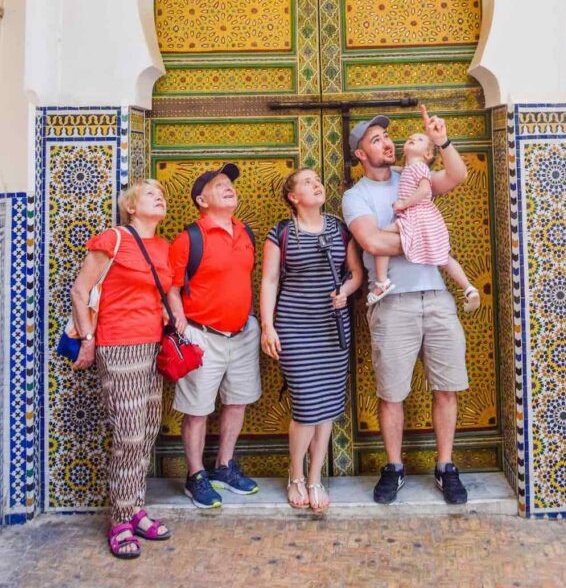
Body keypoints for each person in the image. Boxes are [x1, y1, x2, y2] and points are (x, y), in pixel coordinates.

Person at [341, 105, 470, 506]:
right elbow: (373, 243)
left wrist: (441, 140)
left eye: (387, 136)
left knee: (447, 387)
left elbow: (457, 176)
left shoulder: (412, 176)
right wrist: (429, 243)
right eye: (375, 140)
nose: (387, 143)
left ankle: (446, 466)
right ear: (361, 154)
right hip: (392, 302)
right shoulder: (355, 196)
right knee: (392, 392)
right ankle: (394, 468)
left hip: (436, 298)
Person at [70, 179, 172, 559]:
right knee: (128, 434)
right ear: (130, 206)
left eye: (161, 193)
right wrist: (87, 338)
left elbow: (162, 296)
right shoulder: (112, 240)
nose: (159, 196)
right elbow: (81, 290)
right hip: (118, 344)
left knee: (146, 431)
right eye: (150, 193)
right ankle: (120, 521)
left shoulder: (161, 247)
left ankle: (136, 509)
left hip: (152, 346)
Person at [260, 168, 363, 511]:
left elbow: (356, 274)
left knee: (327, 408)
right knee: (306, 406)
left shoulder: (338, 229)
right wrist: (267, 326)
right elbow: (270, 281)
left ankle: (315, 477)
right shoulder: (281, 233)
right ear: (293, 197)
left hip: (332, 328)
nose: (316, 184)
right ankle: (295, 475)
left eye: (317, 179)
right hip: (294, 326)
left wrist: (345, 292)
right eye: (307, 182)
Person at [167, 163, 261, 509]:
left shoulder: (245, 233)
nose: (228, 188)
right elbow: (172, 288)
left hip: (242, 333)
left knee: (237, 401)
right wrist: (179, 319)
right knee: (197, 409)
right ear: (201, 200)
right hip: (202, 335)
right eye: (219, 184)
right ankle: (195, 476)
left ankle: (223, 466)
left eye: (230, 185)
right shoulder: (188, 238)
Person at [368, 129, 480, 312]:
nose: (412, 137)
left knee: (380, 238)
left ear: (427, 153)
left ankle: (382, 282)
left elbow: (424, 190)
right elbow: (401, 172)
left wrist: (404, 203)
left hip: (415, 216)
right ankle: (468, 288)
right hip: (425, 218)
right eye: (410, 137)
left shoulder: (419, 167)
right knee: (443, 256)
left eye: (419, 139)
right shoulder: (409, 169)